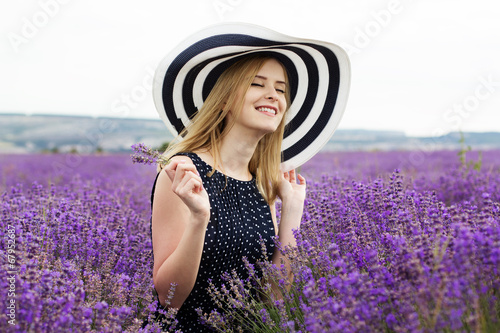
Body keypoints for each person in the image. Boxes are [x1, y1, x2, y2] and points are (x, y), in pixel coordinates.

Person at [147, 23, 350, 331]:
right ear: (226, 98)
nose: (274, 96)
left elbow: (274, 299)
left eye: (281, 89)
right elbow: (169, 297)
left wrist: (291, 215)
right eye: (258, 84)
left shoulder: (260, 185)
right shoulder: (182, 172)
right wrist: (199, 217)